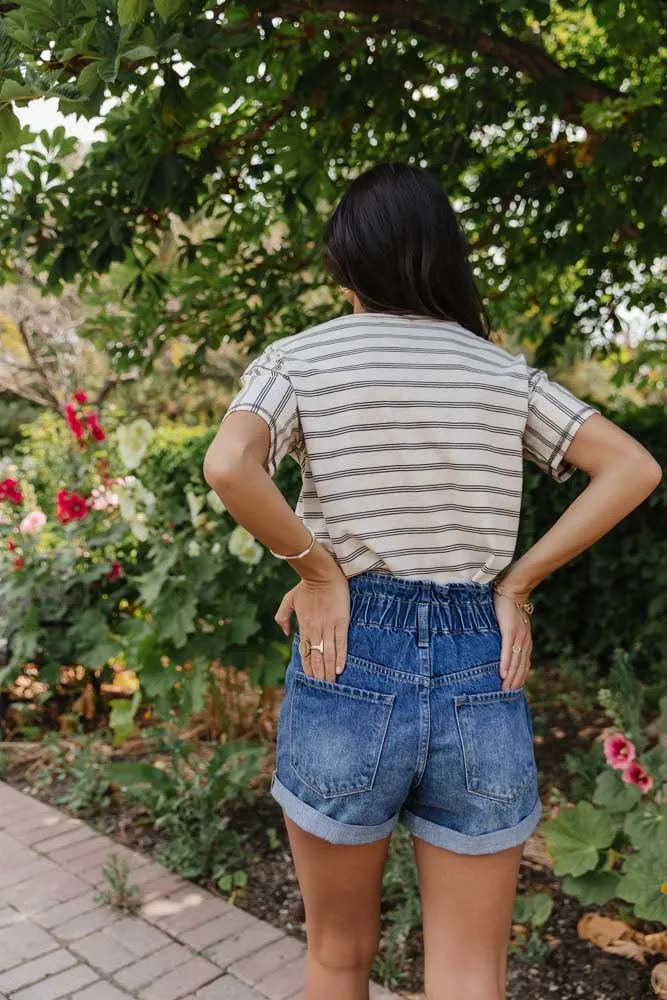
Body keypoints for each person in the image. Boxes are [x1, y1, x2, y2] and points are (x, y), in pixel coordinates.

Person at [203, 162, 662, 1000]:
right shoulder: (499, 372)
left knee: (338, 954)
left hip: (347, 654)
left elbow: (230, 464)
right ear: (439, 258)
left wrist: (316, 568)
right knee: (466, 971)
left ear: (349, 266)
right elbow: (630, 468)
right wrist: (516, 584)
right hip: (477, 661)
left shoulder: (300, 359)